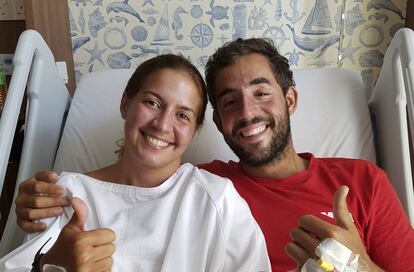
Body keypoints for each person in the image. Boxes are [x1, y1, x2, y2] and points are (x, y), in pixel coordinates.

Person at [12, 39, 414, 271]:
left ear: (290, 99)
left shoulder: (362, 182)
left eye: (261, 92)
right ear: (218, 123)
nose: (248, 112)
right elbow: (141, 187)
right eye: (230, 101)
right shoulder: (202, 186)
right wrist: (42, 214)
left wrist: (359, 268)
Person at [0, 54, 270, 271]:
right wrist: (49, 266)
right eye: (153, 102)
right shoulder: (67, 193)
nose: (163, 124)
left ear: (194, 131)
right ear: (125, 104)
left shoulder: (216, 199)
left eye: (183, 116)